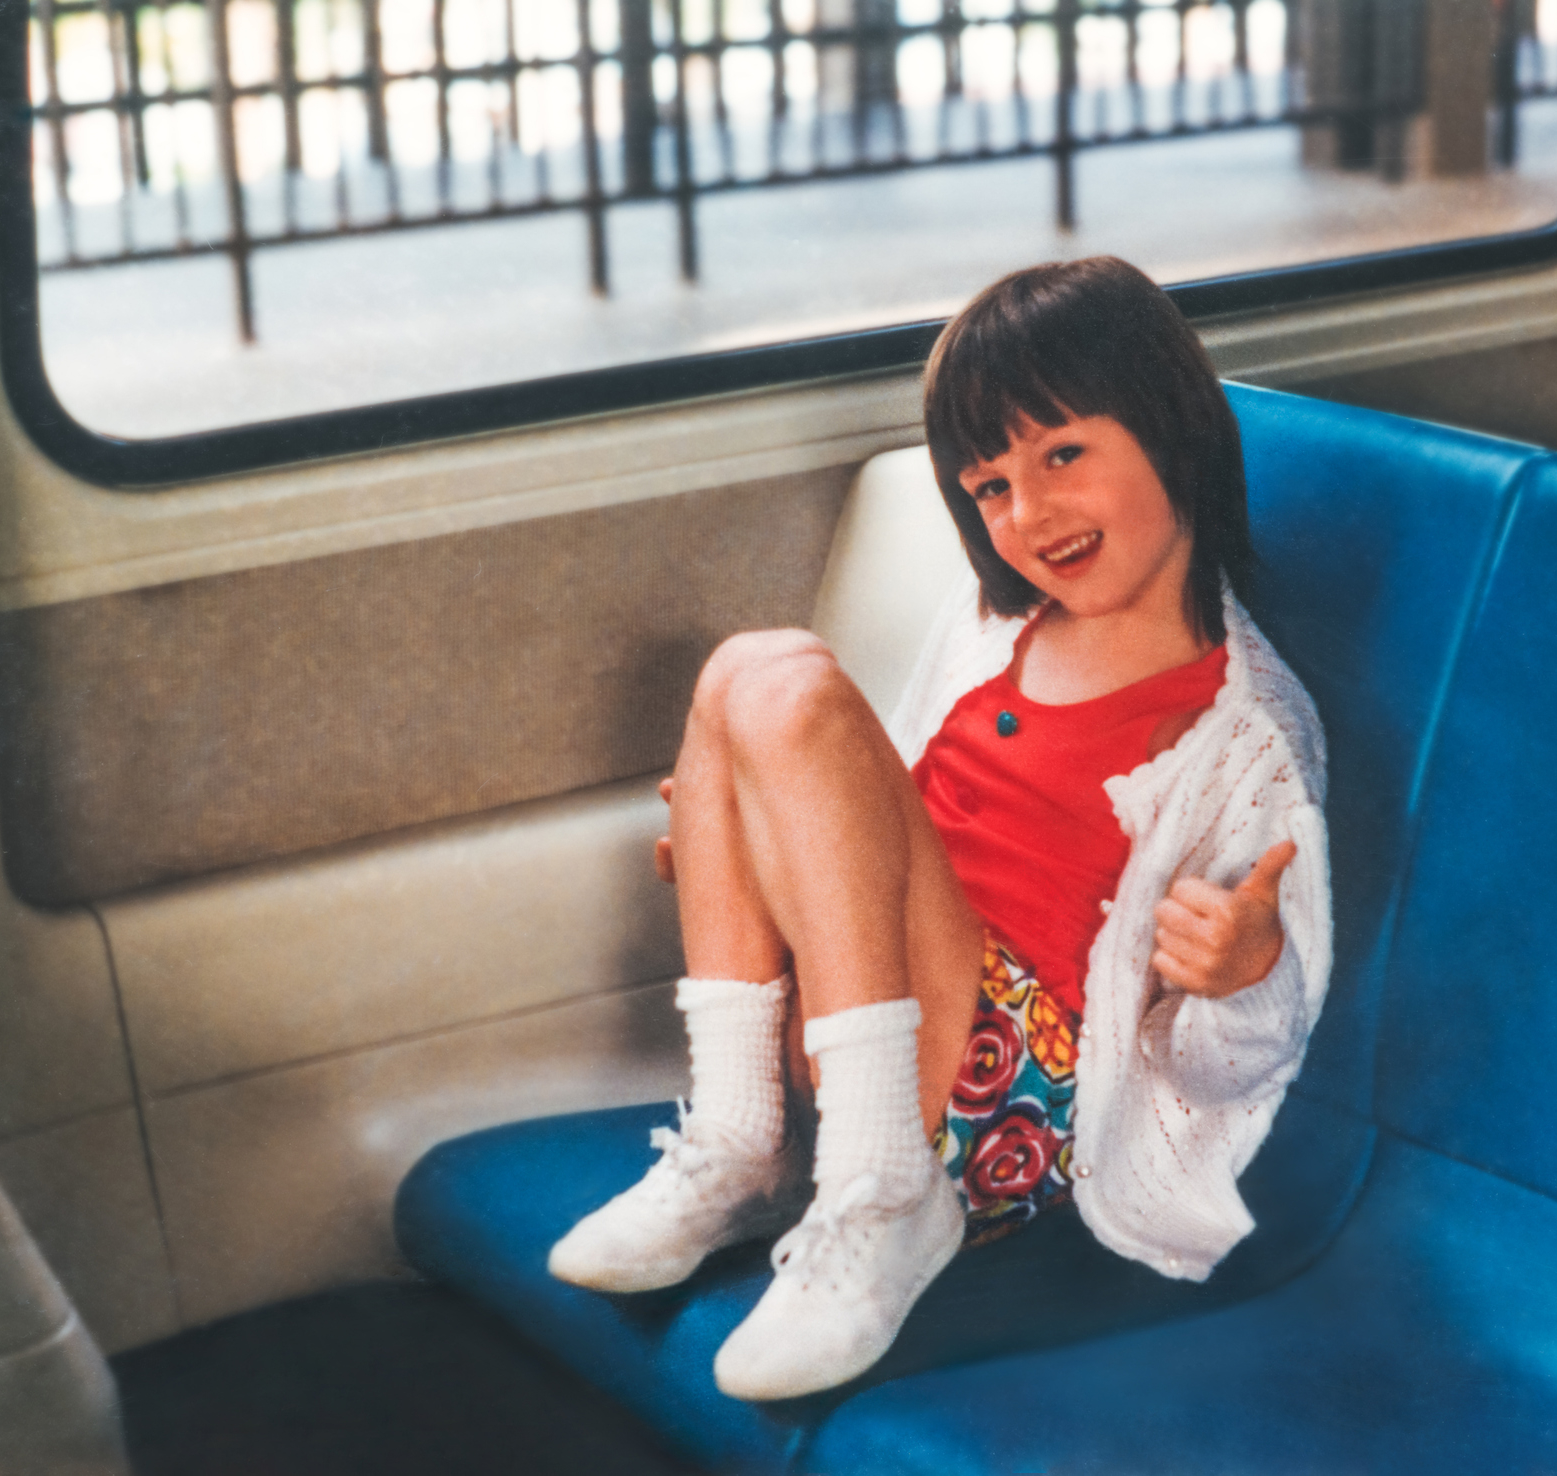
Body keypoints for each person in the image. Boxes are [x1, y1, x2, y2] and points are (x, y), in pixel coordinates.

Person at [547, 255, 1331, 1403]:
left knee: (789, 684)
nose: (1031, 513)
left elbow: (1240, 1064)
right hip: (887, 1027)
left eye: (1063, 454)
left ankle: (883, 1195)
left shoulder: (1248, 730)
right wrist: (747, 852)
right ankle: (744, 1141)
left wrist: (1246, 969)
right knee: (742, 682)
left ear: (1171, 431)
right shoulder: (986, 628)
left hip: (1015, 1095)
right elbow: (901, 831)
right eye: (991, 487)